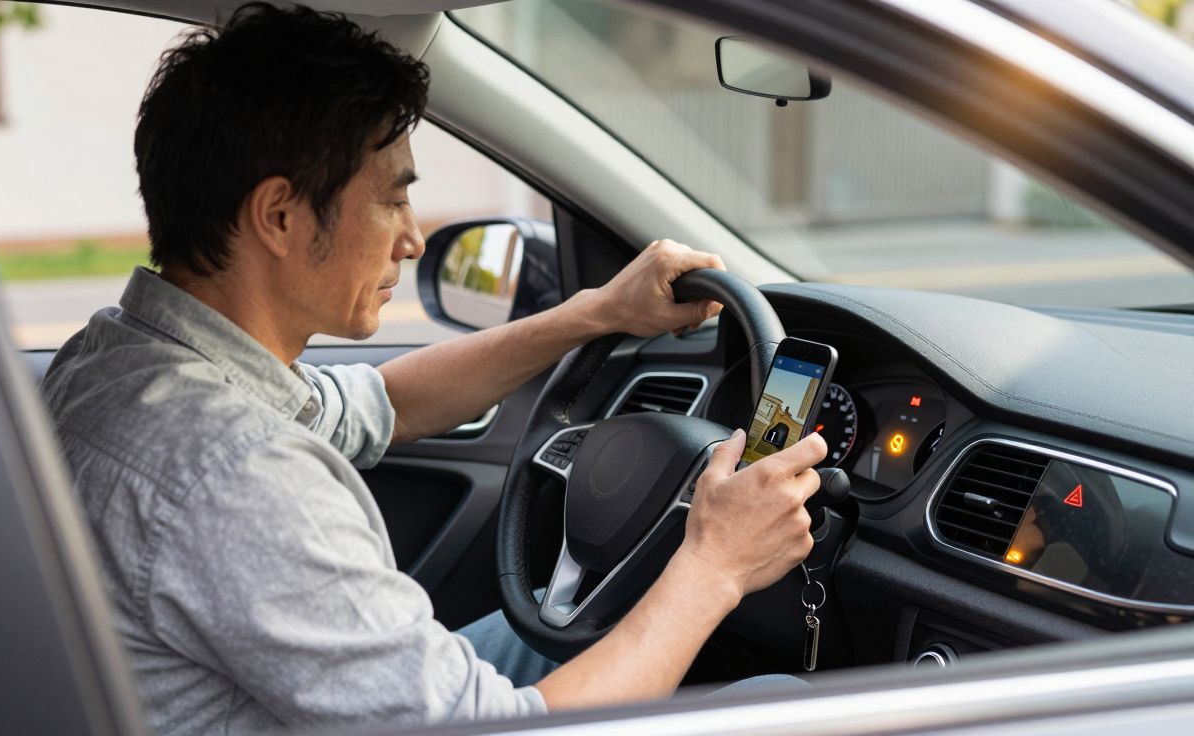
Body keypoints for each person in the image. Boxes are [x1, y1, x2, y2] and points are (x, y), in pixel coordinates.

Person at [42, 4, 827, 734]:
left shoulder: (121, 360)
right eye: (392, 200)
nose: (414, 240)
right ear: (279, 216)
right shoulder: (236, 474)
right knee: (791, 707)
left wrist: (600, 312)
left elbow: (384, 401)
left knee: (585, 626)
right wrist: (714, 563)